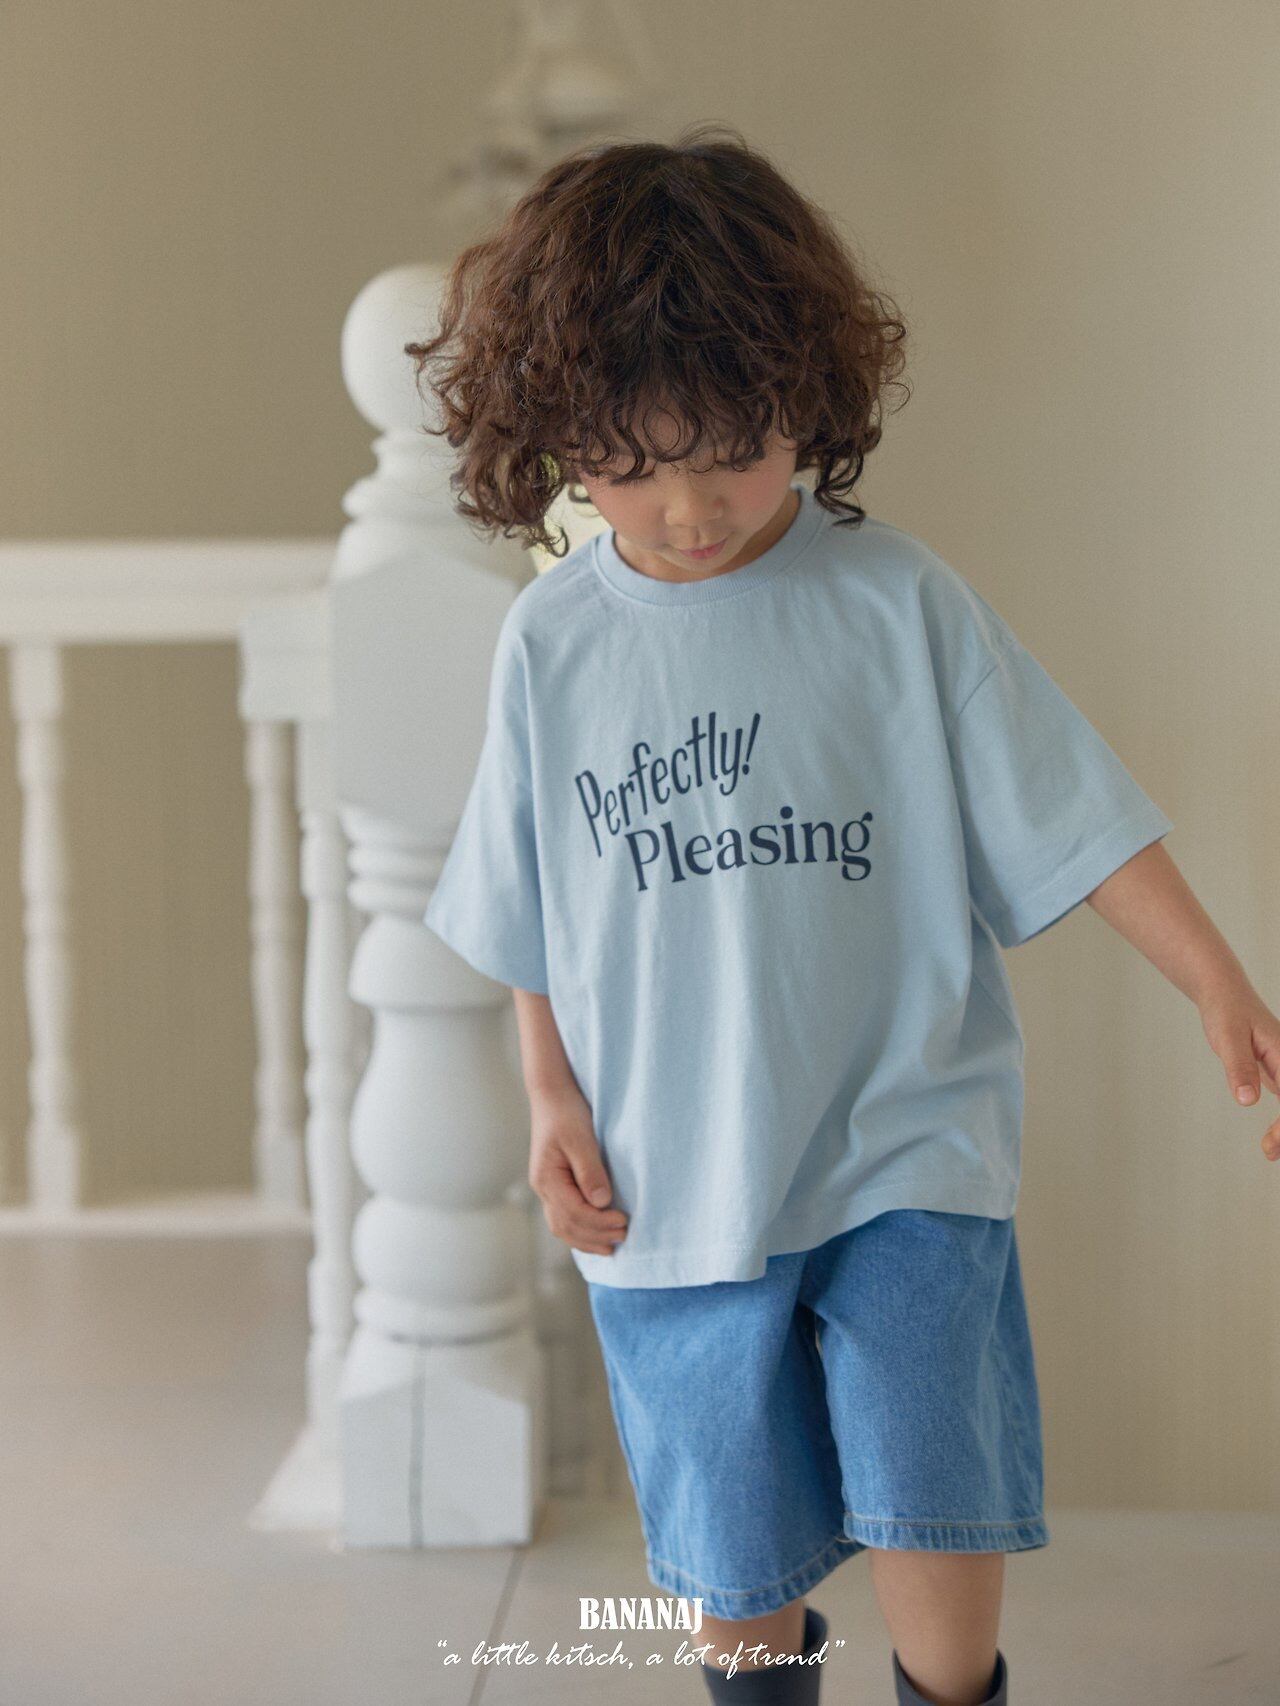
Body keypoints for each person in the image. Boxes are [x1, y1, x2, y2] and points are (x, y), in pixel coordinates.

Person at [411, 126, 1280, 1706]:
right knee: (733, 1564)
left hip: (905, 1143)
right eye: (630, 465)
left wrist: (1216, 978)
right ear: (555, 437)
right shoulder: (552, 645)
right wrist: (548, 1096)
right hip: (672, 1176)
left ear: (802, 393)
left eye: (729, 452)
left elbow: (1071, 809)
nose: (688, 509)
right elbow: (534, 902)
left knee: (935, 1499)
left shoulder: (897, 601)